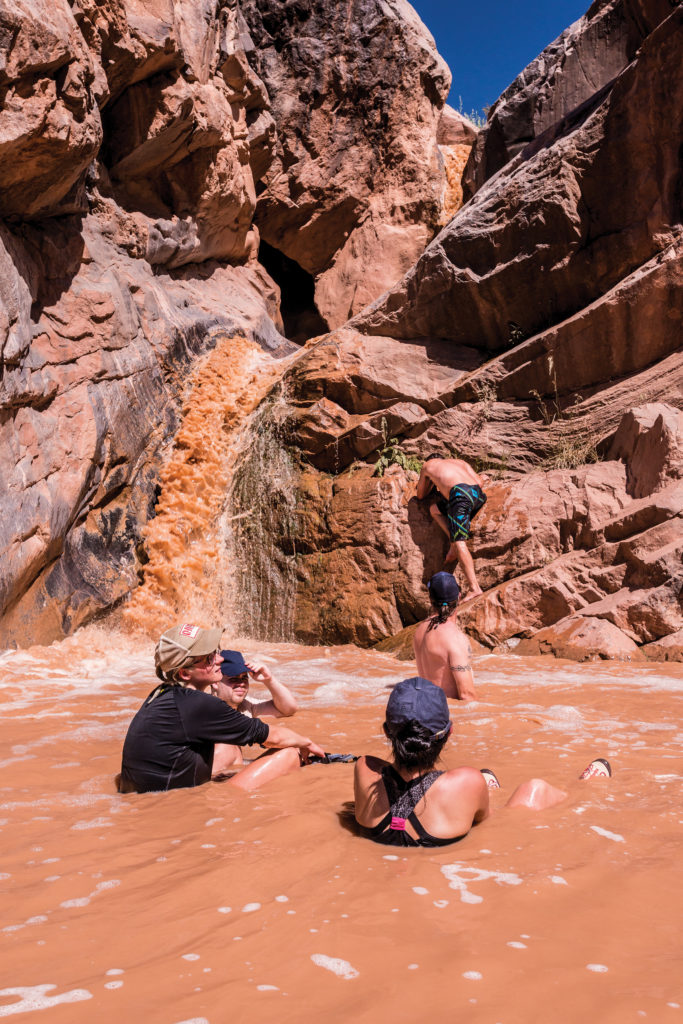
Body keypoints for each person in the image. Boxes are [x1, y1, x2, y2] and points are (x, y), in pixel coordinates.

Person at [353, 677, 611, 848]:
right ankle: (586, 790)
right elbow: (490, 822)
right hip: (481, 819)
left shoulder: (364, 768)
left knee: (481, 784)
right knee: (534, 789)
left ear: (387, 731)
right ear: (449, 733)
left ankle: (488, 788)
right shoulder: (466, 779)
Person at [119, 624, 326, 795]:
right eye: (209, 658)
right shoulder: (199, 704)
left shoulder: (162, 693)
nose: (219, 659)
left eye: (215, 652)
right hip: (173, 811)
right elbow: (271, 737)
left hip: (148, 798)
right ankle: (228, 799)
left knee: (230, 749)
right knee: (289, 754)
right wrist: (307, 743)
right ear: (184, 673)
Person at [210, 650, 298, 776]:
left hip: (227, 775)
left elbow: (289, 709)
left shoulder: (245, 706)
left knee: (289, 750)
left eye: (244, 678)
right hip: (211, 783)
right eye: (233, 679)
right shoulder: (205, 709)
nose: (241, 684)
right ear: (215, 682)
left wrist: (269, 680)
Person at [416, 453, 488, 600]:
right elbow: (480, 482)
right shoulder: (459, 462)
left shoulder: (427, 466)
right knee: (434, 510)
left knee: (460, 542)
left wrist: (431, 483)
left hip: (459, 495)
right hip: (477, 494)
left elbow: (421, 495)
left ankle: (474, 588)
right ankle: (452, 539)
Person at [413, 571, 476, 701]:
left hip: (427, 709)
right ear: (459, 596)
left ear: (430, 599)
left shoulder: (419, 630)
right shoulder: (455, 638)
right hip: (447, 716)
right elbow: (467, 695)